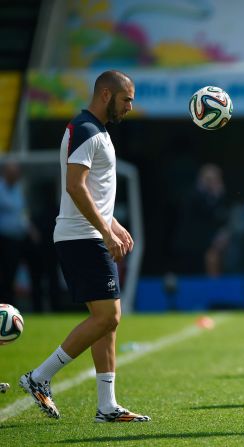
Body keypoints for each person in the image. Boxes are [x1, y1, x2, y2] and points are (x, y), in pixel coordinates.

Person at [19, 70, 150, 422]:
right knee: (109, 316)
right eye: (127, 99)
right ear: (106, 95)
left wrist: (113, 224)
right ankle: (39, 377)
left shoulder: (97, 131)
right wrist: (105, 232)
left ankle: (107, 406)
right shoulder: (86, 129)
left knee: (106, 321)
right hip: (82, 238)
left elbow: (95, 190)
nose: (130, 106)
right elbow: (75, 187)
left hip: (89, 235)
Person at [0, 160, 42, 310]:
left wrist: (31, 230)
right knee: (7, 276)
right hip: (5, 240)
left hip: (21, 239)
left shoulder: (18, 189)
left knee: (34, 268)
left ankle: (37, 306)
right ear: (6, 173)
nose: (16, 176)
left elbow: (22, 214)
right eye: (13, 173)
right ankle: (6, 307)